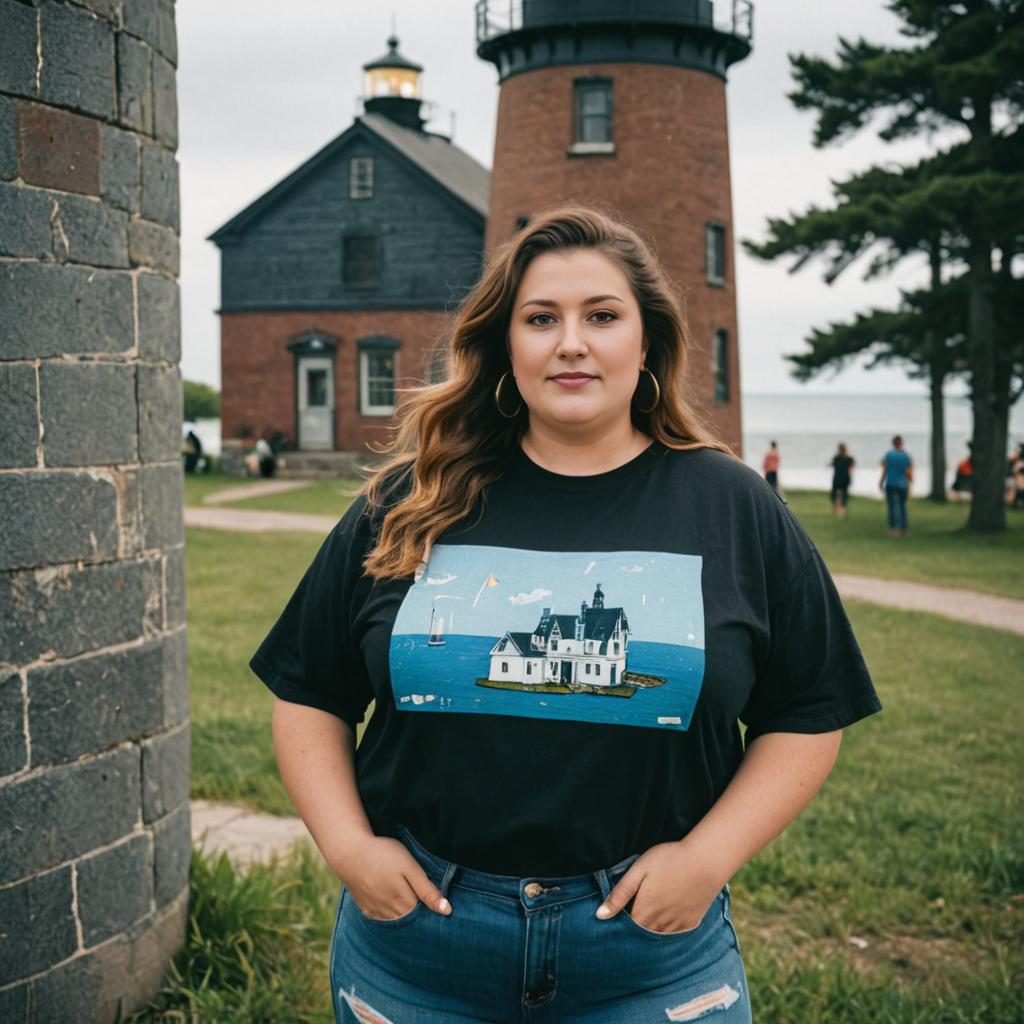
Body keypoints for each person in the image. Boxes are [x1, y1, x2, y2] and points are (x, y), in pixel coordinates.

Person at [249, 206, 881, 1023]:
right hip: (420, 947)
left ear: (645, 342)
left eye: (603, 316)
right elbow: (309, 692)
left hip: (650, 957)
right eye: (541, 318)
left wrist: (707, 860)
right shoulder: (409, 502)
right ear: (505, 346)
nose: (571, 341)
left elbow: (808, 711)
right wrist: (349, 849)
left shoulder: (732, 507)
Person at [879, 435, 913, 536]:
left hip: (891, 484)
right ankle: (903, 528)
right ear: (901, 443)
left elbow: (885, 469)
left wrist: (881, 482)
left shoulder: (889, 455)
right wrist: (910, 483)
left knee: (893, 507)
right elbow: (909, 472)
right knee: (902, 506)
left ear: (893, 443)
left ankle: (894, 528)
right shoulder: (906, 455)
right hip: (903, 484)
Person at [829, 442, 855, 518]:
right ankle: (841, 512)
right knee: (844, 495)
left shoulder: (836, 458)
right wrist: (851, 479)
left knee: (834, 495)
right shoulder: (849, 459)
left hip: (837, 478)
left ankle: (836, 511)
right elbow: (851, 470)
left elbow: (832, 465)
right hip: (845, 478)